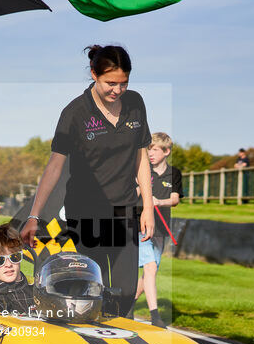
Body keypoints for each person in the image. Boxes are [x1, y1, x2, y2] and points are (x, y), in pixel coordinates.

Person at [20, 44, 154, 318]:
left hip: (125, 209)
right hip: (86, 211)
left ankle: (119, 335)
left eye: (123, 83)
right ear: (94, 74)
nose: (117, 90)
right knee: (95, 289)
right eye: (110, 83)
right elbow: (54, 167)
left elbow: (141, 158)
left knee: (127, 290)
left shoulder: (135, 103)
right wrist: (34, 216)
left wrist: (148, 207)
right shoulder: (75, 113)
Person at [134, 132, 181, 328]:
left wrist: (159, 202)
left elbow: (175, 199)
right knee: (150, 267)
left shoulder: (174, 173)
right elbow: (132, 194)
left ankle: (123, 306)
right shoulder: (142, 170)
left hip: (162, 228)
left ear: (166, 151)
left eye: (154, 149)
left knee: (148, 276)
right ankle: (156, 317)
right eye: (149, 149)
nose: (150, 153)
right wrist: (140, 188)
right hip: (142, 225)